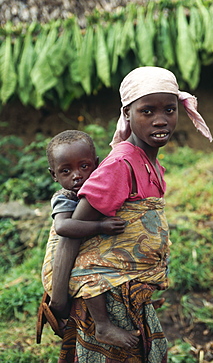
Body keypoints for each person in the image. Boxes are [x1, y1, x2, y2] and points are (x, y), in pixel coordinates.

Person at [54, 66, 212, 363]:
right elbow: (70, 234)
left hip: (131, 295)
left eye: (169, 109)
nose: (161, 120)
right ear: (127, 114)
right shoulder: (120, 166)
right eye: (147, 111)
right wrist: (58, 301)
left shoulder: (149, 164)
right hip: (107, 300)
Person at [40, 130, 131, 345]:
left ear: (97, 164)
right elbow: (63, 226)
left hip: (87, 248)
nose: (76, 175)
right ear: (54, 175)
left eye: (84, 166)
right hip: (64, 262)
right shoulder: (64, 197)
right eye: (66, 170)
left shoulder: (94, 190)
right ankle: (102, 326)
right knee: (87, 272)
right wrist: (100, 226)